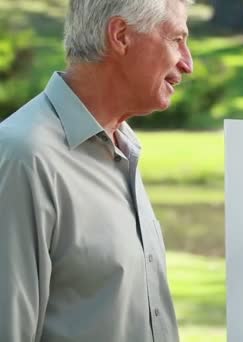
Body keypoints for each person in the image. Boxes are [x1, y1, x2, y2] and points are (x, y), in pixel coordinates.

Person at [0, 0, 193, 341]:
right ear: (120, 36)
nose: (188, 63)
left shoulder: (122, 148)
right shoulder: (24, 157)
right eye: (177, 39)